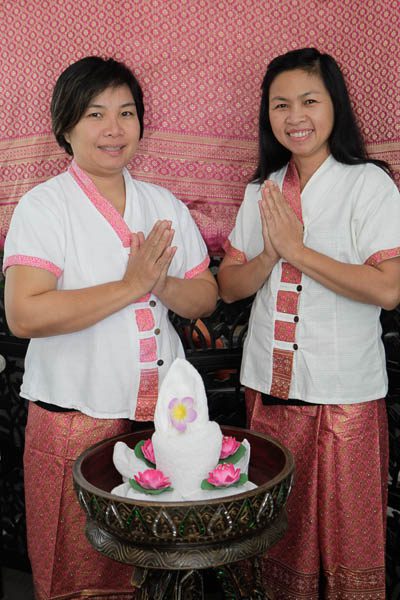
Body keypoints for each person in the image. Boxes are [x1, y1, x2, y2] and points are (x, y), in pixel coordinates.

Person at [3, 56, 217, 600]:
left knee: (153, 570)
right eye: (95, 114)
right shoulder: (44, 207)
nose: (114, 129)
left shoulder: (161, 204)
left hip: (160, 423)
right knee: (75, 570)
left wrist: (161, 283)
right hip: (73, 419)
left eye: (126, 112)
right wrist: (131, 285)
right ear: (66, 126)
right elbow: (24, 314)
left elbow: (205, 296)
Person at [218, 47, 400, 599]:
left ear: (334, 106)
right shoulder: (263, 190)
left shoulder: (368, 184)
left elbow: (389, 288)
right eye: (280, 105)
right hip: (270, 389)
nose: (294, 116)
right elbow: (230, 285)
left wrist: (298, 251)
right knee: (277, 530)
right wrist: (271, 255)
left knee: (349, 537)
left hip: (345, 394)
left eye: (309, 101)